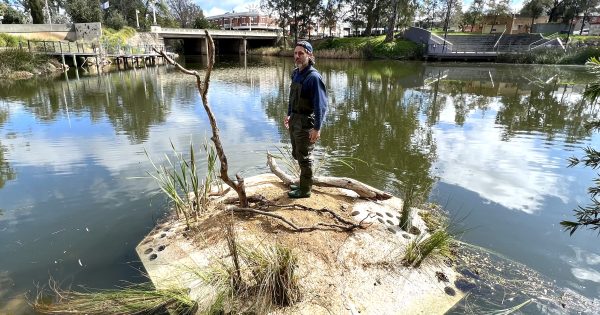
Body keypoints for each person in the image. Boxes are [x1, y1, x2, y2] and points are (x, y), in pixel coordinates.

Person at [284, 41, 328, 198]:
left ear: (310, 55)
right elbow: (291, 97)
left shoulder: (314, 78)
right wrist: (289, 114)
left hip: (306, 123)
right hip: (295, 119)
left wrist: (317, 128)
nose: (297, 56)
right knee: (297, 153)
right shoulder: (295, 73)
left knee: (305, 157)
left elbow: (321, 106)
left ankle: (305, 189)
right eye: (295, 53)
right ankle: (303, 184)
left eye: (301, 53)